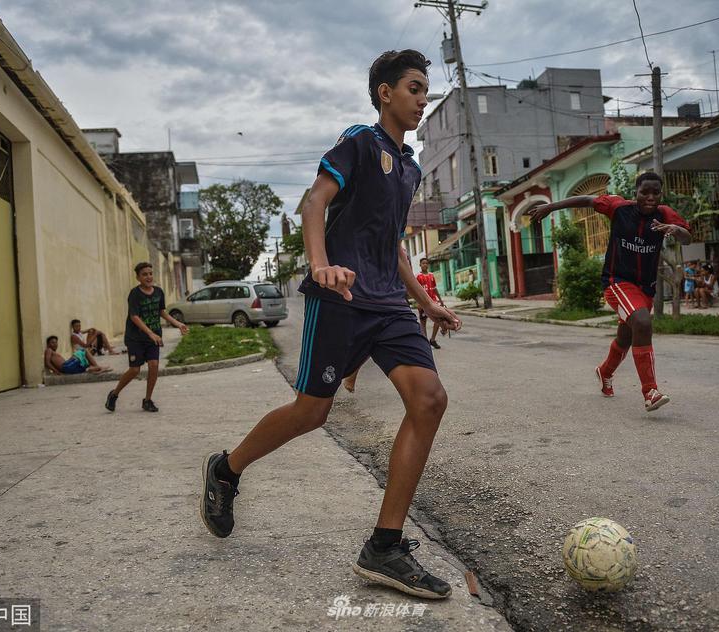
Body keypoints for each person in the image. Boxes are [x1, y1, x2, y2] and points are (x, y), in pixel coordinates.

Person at [198, 50, 461, 600]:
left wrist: (425, 302)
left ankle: (385, 546)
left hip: (388, 303)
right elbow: (314, 202)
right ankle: (227, 469)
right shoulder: (358, 143)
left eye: (425, 89)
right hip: (339, 297)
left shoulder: (409, 168)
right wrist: (319, 266)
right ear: (385, 92)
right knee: (312, 412)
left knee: (429, 399)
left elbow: (390, 246)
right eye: (414, 88)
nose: (422, 98)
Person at [527, 172, 691, 411]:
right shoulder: (619, 207)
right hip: (617, 282)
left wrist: (676, 230)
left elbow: (687, 238)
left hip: (645, 288)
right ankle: (650, 391)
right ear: (636, 192)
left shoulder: (664, 214)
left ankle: (605, 372)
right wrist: (551, 206)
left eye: (656, 192)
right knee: (643, 323)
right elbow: (586, 200)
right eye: (645, 191)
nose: (650, 197)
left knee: (626, 336)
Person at [104, 262, 188, 413]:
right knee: (134, 370)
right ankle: (114, 394)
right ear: (138, 277)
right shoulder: (135, 294)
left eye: (150, 273)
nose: (148, 277)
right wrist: (150, 333)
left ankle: (147, 400)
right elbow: (134, 317)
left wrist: (178, 324)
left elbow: (161, 312)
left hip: (154, 337)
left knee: (154, 365)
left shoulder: (158, 292)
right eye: (144, 274)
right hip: (135, 338)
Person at [416, 257, 445, 349]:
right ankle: (425, 342)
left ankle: (432, 339)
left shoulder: (431, 275)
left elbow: (434, 288)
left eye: (426, 263)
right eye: (423, 263)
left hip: (433, 301)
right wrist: (418, 302)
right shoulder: (418, 276)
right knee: (423, 322)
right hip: (423, 302)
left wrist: (440, 300)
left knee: (438, 320)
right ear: (420, 265)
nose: (425, 265)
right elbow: (415, 290)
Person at [44, 335, 111, 375]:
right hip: (66, 366)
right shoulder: (49, 350)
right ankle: (97, 367)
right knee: (83, 351)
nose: (55, 344)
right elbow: (47, 363)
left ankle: (93, 368)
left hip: (67, 368)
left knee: (86, 362)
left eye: (56, 342)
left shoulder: (52, 352)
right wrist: (57, 372)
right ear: (48, 344)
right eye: (52, 343)